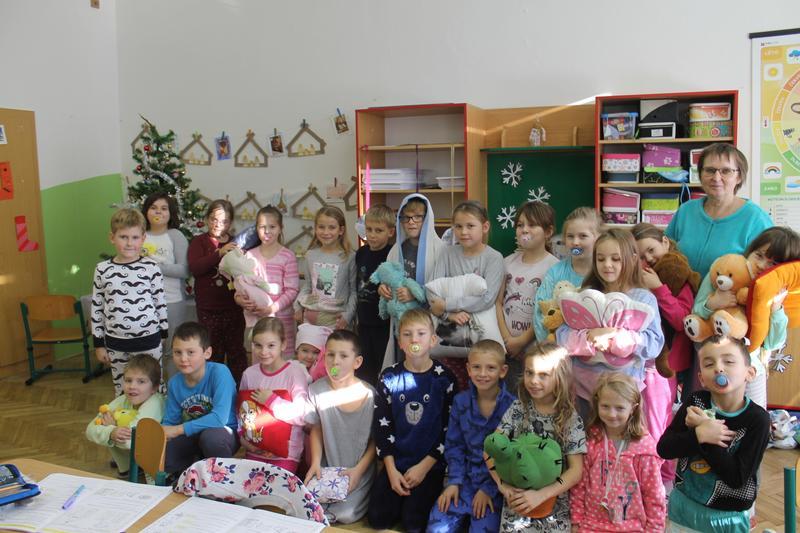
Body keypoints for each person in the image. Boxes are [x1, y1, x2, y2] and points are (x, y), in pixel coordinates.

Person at [657, 335, 770, 532]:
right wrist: (698, 435)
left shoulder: (757, 420)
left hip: (728, 520)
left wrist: (707, 435)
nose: (718, 368)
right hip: (683, 510)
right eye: (709, 364)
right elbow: (664, 448)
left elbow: (736, 478)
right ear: (702, 378)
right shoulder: (696, 402)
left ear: (750, 373)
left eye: (729, 361)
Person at [556, 229, 666, 424]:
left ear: (632, 258)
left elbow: (654, 343)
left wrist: (616, 337)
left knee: (620, 440)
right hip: (583, 390)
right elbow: (562, 335)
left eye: (616, 259)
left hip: (623, 395)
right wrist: (590, 337)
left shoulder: (644, 298)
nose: (607, 265)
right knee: (584, 438)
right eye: (601, 259)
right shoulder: (585, 294)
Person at [690, 226, 800, 408]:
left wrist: (776, 308)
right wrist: (713, 303)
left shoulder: (776, 291)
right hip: (712, 363)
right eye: (759, 256)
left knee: (753, 415)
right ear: (750, 251)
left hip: (750, 368)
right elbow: (696, 315)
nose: (762, 265)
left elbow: (773, 343)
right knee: (707, 414)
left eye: (773, 263)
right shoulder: (726, 271)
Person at [368, 308, 457, 532]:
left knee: (413, 524)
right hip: (396, 463)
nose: (414, 339)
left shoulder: (445, 379)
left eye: (421, 334)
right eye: (407, 334)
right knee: (378, 518)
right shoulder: (389, 377)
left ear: (432, 340)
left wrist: (424, 468)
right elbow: (382, 428)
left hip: (430, 465)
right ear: (400, 342)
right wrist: (391, 470)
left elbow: (449, 429)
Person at [491, 342, 586, 532]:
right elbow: (492, 448)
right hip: (517, 503)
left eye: (543, 375)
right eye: (529, 373)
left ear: (559, 377)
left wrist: (541, 495)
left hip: (554, 507)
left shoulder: (569, 418)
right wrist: (502, 485)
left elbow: (576, 470)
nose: (534, 380)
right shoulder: (519, 408)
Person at [427, 340, 516, 533]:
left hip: (495, 485)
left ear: (502, 371)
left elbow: (511, 457)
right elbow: (454, 445)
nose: (482, 374)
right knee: (436, 528)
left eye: (490, 368)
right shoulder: (461, 402)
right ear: (468, 369)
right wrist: (454, 482)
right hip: (463, 480)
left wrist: (488, 489)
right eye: (476, 367)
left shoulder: (513, 407)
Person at [570, 372, 666, 532]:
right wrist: (576, 521)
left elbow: (654, 496)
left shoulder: (644, 449)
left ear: (633, 408)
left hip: (632, 528)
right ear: (597, 404)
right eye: (605, 406)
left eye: (620, 408)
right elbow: (580, 486)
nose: (611, 414)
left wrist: (654, 530)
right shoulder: (592, 440)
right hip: (591, 525)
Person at [91, 208, 168, 396]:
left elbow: (160, 302)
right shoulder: (102, 269)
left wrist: (163, 333)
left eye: (134, 237)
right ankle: (126, 416)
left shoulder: (151, 268)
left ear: (143, 238)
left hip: (149, 340)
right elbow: (97, 307)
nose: (129, 243)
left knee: (155, 386)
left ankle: (156, 415)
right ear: (112, 237)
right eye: (123, 237)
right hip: (116, 343)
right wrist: (99, 344)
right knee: (123, 389)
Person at [666, 143, 772, 279]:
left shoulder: (756, 219)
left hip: (729, 293)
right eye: (710, 170)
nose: (716, 178)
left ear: (739, 177)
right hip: (676, 292)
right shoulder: (686, 210)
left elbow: (769, 271)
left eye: (726, 171)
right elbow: (665, 251)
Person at [429, 200, 505, 389]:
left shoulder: (494, 258)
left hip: (482, 340)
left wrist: (447, 304)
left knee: (481, 387)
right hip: (449, 335)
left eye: (470, 226)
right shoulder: (446, 253)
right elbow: (432, 291)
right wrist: (448, 315)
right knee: (450, 385)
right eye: (458, 226)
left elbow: (487, 299)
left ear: (485, 227)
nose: (463, 232)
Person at [304, 329, 376, 524]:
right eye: (330, 354)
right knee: (309, 510)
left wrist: (359, 471)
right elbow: (316, 428)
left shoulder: (370, 395)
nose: (335, 361)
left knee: (346, 514)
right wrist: (316, 463)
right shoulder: (316, 390)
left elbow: (375, 441)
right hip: (327, 469)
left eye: (343, 356)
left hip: (357, 470)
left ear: (357, 362)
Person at [162, 321, 239, 474]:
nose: (183, 358)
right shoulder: (174, 383)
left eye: (190, 352)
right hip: (192, 434)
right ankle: (193, 474)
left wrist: (178, 430)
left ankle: (225, 479)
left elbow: (219, 419)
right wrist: (162, 434)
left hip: (222, 434)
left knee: (211, 439)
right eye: (178, 352)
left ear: (207, 353)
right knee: (165, 456)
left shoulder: (220, 372)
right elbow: (170, 422)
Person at [496, 201, 559, 389]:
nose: (524, 230)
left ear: (548, 231)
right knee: (509, 396)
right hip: (506, 348)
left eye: (532, 225)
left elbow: (549, 313)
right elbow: (498, 303)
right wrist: (508, 340)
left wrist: (522, 340)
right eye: (520, 225)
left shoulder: (554, 267)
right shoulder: (506, 262)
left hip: (535, 350)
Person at [379, 194, 445, 367]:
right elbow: (388, 277)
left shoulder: (441, 250)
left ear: (427, 218)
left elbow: (443, 288)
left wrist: (416, 294)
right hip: (403, 322)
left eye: (417, 217)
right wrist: (384, 288)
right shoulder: (396, 250)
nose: (411, 222)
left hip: (429, 321)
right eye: (406, 217)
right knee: (404, 361)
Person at [188, 199, 247, 383]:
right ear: (207, 218)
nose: (218, 224)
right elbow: (195, 268)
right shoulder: (199, 242)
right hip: (208, 310)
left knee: (236, 353)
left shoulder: (236, 243)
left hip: (233, 309)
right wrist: (219, 253)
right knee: (212, 354)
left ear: (230, 223)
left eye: (224, 221)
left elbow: (245, 271)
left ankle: (238, 389)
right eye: (214, 219)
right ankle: (214, 388)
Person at [239, 317, 308, 473]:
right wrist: (243, 439)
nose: (264, 352)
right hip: (255, 450)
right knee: (249, 488)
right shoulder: (249, 374)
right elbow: (241, 412)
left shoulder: (295, 373)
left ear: (283, 344)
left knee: (277, 488)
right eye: (258, 345)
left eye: (271, 345)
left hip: (286, 454)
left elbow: (302, 415)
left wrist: (271, 400)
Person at [85, 354, 165, 478]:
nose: (132, 386)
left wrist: (112, 428)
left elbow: (131, 441)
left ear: (154, 388)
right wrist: (111, 432)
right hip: (136, 459)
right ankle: (128, 468)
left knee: (112, 429)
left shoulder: (155, 403)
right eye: (128, 380)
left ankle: (139, 470)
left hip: (159, 466)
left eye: (141, 381)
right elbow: (90, 430)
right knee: (111, 430)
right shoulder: (123, 399)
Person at [235, 206, 299, 358]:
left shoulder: (288, 256)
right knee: (261, 358)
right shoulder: (249, 256)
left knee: (283, 361)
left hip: (282, 321)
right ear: (256, 229)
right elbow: (240, 288)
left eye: (272, 227)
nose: (267, 231)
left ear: (280, 228)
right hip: (258, 322)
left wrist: (272, 308)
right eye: (262, 227)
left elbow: (292, 290)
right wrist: (240, 300)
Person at [533, 207, 603, 342]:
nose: (575, 242)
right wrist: (550, 346)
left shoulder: (604, 273)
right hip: (558, 347)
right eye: (570, 236)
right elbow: (540, 312)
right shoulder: (555, 272)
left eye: (583, 236)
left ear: (598, 238)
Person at [142, 192, 190, 365]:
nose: (158, 212)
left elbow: (184, 270)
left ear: (170, 213)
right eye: (153, 208)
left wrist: (155, 267)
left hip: (172, 301)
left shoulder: (176, 235)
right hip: (143, 302)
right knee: (147, 351)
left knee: (172, 349)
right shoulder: (139, 236)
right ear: (146, 211)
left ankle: (173, 383)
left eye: (164, 208)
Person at [294, 206, 356, 329]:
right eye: (321, 227)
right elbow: (308, 286)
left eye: (332, 227)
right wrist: (297, 306)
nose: (326, 232)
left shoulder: (349, 257)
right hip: (310, 318)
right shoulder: (310, 255)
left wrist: (347, 316)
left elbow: (354, 291)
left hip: (336, 321)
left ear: (341, 230)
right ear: (315, 228)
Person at [355, 203, 395, 385]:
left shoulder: (392, 254)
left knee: (384, 368)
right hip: (363, 323)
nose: (372, 235)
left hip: (383, 325)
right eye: (369, 229)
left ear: (390, 232)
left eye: (378, 230)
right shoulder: (361, 253)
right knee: (364, 369)